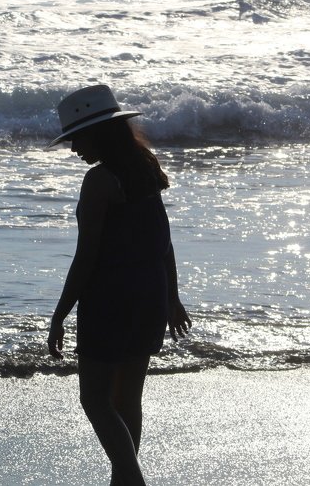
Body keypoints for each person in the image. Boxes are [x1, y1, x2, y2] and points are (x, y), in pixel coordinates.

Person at [47, 85, 192, 486]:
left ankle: (130, 478)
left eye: (76, 137)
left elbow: (86, 257)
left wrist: (60, 314)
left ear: (99, 133)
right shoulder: (143, 168)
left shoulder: (99, 181)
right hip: (148, 296)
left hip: (110, 300)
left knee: (94, 399)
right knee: (127, 399)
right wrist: (171, 297)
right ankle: (123, 480)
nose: (73, 147)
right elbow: (163, 240)